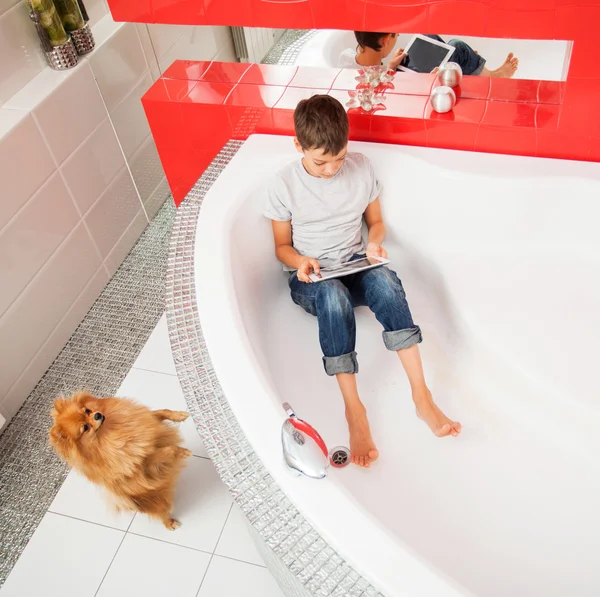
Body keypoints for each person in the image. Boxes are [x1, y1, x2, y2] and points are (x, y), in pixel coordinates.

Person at [263, 95, 461, 468]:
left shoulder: (361, 167)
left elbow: (377, 222)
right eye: (321, 161)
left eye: (338, 158)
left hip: (355, 265)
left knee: (385, 281)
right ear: (298, 146)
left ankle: (422, 396)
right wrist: (301, 261)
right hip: (314, 280)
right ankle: (354, 410)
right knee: (334, 297)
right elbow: (281, 247)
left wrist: (374, 243)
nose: (330, 169)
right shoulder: (283, 185)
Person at [339, 31, 519, 78]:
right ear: (386, 40)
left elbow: (371, 74)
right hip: (409, 84)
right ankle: (491, 75)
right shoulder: (378, 79)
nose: (398, 37)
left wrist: (390, 67)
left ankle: (466, 65)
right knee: (459, 48)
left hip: (393, 74)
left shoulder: (345, 57)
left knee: (427, 38)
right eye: (396, 35)